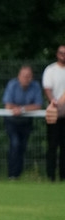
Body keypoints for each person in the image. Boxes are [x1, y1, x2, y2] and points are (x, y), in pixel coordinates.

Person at [1, 65, 44, 180]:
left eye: (29, 76)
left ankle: (18, 174)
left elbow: (38, 105)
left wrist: (22, 109)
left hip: (26, 122)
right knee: (15, 144)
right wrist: (22, 109)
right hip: (11, 121)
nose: (26, 79)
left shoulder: (35, 86)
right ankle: (12, 174)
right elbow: (8, 105)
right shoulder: (12, 85)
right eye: (24, 76)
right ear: (19, 76)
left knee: (22, 146)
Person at [42, 44, 65, 181]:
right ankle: (51, 176)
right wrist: (54, 102)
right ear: (57, 54)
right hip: (53, 114)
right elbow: (47, 89)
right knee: (52, 145)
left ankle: (63, 176)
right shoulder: (50, 70)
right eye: (61, 53)